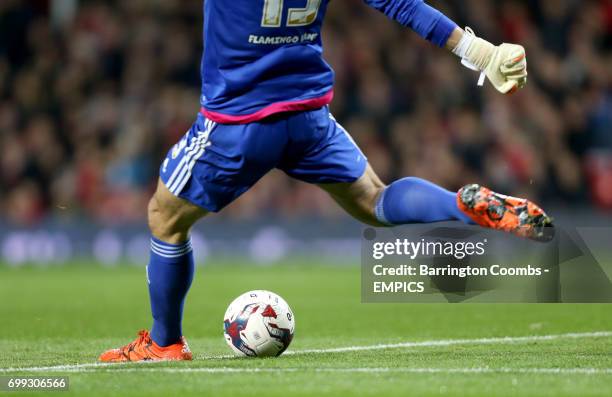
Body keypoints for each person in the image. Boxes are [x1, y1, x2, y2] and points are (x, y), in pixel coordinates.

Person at [99, 0, 550, 362]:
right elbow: (402, 4)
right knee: (376, 198)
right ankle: (459, 206)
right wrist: (482, 53)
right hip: (309, 116)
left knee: (165, 218)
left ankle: (164, 343)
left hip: (237, 123)